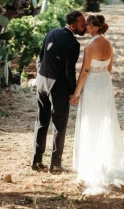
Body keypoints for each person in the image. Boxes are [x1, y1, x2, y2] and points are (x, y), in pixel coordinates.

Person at [69, 14, 124, 195]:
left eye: (87, 24)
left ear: (94, 27)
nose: (85, 27)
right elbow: (109, 69)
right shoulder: (108, 44)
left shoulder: (89, 47)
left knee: (91, 123)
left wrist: (76, 94)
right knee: (104, 122)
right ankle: (103, 161)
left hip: (93, 86)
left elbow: (85, 72)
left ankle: (92, 166)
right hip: (105, 84)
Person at [31, 10, 86, 173]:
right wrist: (72, 91)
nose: (85, 26)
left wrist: (40, 74)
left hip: (42, 82)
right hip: (58, 87)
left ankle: (36, 161)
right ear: (72, 25)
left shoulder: (52, 32)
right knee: (59, 125)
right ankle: (55, 164)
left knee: (41, 122)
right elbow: (70, 71)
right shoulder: (73, 43)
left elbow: (41, 55)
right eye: (82, 24)